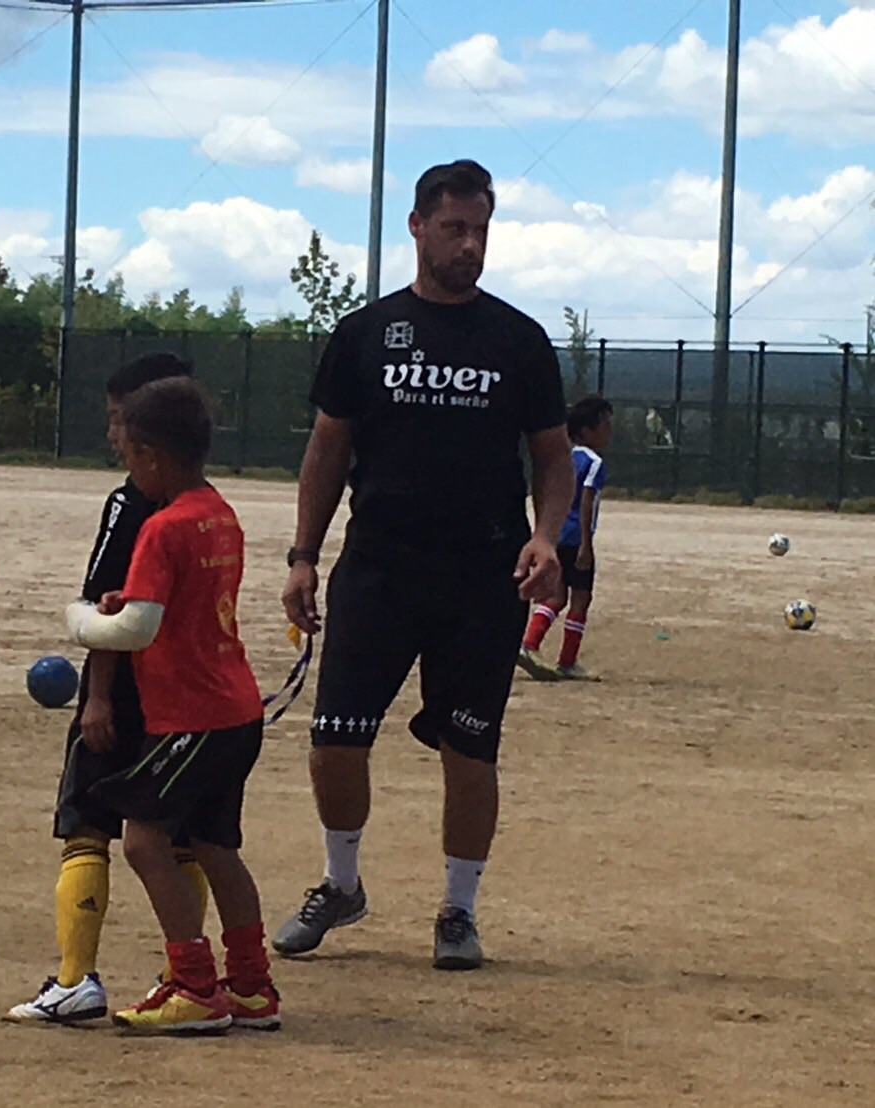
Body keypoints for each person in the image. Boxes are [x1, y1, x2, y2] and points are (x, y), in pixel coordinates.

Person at [273, 159, 576, 970]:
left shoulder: (519, 341)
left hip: (483, 579)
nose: (470, 245)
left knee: (470, 749)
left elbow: (553, 458)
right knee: (335, 738)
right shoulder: (366, 334)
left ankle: (458, 910)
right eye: (455, 228)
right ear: (417, 226)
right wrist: (304, 556)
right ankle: (342, 885)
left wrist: (546, 536)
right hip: (378, 568)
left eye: (481, 230)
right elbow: (326, 451)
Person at [67, 377, 279, 1034]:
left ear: (153, 456)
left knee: (143, 842)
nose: (129, 469)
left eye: (130, 455)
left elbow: (137, 630)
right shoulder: (221, 513)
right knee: (216, 846)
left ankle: (195, 985)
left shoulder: (163, 526)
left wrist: (81, 622)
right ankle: (250, 985)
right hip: (237, 708)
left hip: (191, 717)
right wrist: (125, 606)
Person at [5, 353, 212, 1025]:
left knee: (87, 828)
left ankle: (75, 978)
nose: (113, 436)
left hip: (127, 695)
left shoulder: (133, 504)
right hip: (191, 702)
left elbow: (108, 607)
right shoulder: (208, 507)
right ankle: (183, 973)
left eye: (120, 421)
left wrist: (96, 696)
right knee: (185, 839)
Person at [519, 395, 615, 682]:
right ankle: (568, 661)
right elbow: (587, 500)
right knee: (580, 599)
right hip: (576, 538)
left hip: (557, 534)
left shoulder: (564, 458)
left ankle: (529, 644)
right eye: (606, 425)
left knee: (555, 596)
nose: (610, 432)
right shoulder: (594, 462)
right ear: (586, 431)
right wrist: (587, 543)